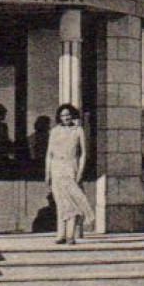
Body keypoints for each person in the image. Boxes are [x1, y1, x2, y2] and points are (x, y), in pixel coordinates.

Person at [45, 103, 95, 245]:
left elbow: (84, 153)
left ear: (72, 115)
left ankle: (70, 235)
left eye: (68, 115)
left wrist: (80, 171)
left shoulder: (78, 130)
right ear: (59, 117)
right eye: (63, 115)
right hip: (56, 167)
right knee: (60, 202)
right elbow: (49, 153)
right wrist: (47, 172)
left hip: (70, 166)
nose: (65, 117)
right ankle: (60, 234)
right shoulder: (54, 131)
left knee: (72, 201)